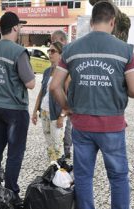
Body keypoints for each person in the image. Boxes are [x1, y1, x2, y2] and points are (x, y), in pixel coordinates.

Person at [50, 1, 134, 209]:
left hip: (81, 126)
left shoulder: (71, 49)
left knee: (83, 176)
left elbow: (54, 86)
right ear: (112, 22)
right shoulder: (125, 51)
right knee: (119, 176)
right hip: (112, 127)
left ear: (92, 22)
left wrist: (67, 107)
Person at [0, 11, 35, 209]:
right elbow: (30, 83)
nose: (19, 29)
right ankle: (11, 194)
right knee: (15, 153)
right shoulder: (18, 52)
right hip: (15, 109)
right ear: (14, 28)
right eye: (19, 27)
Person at [31, 42, 67, 162]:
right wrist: (35, 111)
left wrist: (62, 116)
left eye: (53, 51)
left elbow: (68, 97)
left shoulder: (66, 73)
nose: (50, 54)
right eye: (49, 51)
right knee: (49, 144)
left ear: (61, 55)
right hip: (44, 111)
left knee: (57, 145)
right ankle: (53, 167)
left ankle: (61, 172)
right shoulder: (47, 71)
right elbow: (42, 92)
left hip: (56, 113)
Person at [50, 30, 72, 159]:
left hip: (66, 93)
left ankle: (66, 150)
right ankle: (59, 150)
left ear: (63, 40)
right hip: (57, 98)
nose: (52, 43)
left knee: (67, 124)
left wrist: (64, 111)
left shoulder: (68, 54)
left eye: (55, 40)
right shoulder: (59, 54)